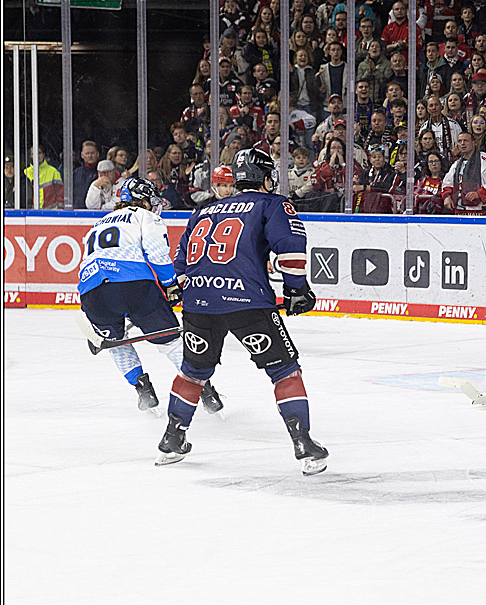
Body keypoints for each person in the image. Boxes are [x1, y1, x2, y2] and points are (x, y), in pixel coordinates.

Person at [161, 147, 327, 475]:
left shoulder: (203, 211)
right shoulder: (272, 203)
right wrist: (296, 290)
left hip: (199, 304)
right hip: (247, 303)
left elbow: (179, 260)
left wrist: (184, 289)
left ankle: (171, 439)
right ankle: (303, 444)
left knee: (192, 372)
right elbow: (291, 248)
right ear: (266, 178)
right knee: (284, 370)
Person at [77, 178, 222, 415]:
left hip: (91, 293)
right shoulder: (145, 216)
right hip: (133, 286)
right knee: (171, 341)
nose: (154, 206)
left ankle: (143, 390)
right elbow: (157, 254)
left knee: (116, 343)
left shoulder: (96, 225)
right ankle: (205, 392)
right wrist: (170, 285)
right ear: (143, 200)